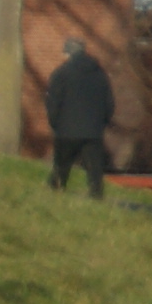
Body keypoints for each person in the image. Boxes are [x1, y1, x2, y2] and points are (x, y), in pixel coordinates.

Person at [44, 36, 116, 197]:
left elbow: (53, 102)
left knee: (61, 168)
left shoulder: (61, 73)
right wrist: (100, 125)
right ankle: (96, 198)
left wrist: (55, 124)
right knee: (94, 173)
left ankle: (54, 194)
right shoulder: (100, 75)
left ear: (68, 53)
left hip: (66, 130)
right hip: (93, 132)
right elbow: (109, 104)